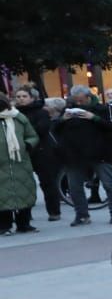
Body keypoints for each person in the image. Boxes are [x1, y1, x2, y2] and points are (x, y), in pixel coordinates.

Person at [56, 84, 112, 226]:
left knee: (109, 183)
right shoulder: (67, 110)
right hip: (73, 154)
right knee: (74, 186)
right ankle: (81, 215)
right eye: (76, 101)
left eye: (81, 100)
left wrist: (94, 118)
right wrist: (63, 119)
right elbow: (55, 129)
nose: (78, 103)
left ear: (88, 97)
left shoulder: (101, 109)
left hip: (98, 152)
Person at [15, 86, 62, 222]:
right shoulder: (14, 113)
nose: (21, 99)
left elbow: (42, 129)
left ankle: (54, 211)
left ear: (31, 98)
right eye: (18, 97)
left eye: (24, 96)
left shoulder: (41, 112)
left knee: (47, 183)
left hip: (42, 151)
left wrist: (22, 132)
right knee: (23, 184)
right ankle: (25, 215)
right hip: (23, 152)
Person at [0, 92, 41, 234]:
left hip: (20, 162)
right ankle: (4, 226)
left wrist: (27, 145)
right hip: (1, 165)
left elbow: (32, 135)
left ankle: (24, 224)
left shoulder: (18, 117)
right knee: (2, 196)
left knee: (25, 192)